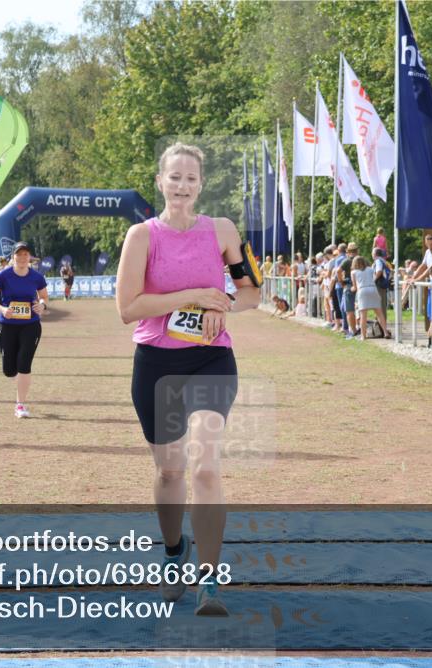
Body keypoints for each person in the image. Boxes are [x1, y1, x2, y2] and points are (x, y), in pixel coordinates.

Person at [115, 142, 259, 617]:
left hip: (211, 360)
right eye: (174, 177)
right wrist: (194, 294)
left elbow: (251, 291)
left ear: (201, 185)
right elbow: (127, 308)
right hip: (156, 364)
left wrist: (224, 307)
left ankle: (210, 584)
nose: (182, 186)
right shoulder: (141, 236)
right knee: (170, 471)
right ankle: (175, 549)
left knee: (204, 467)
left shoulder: (222, 231)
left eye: (191, 179)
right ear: (160, 182)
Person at [0, 241, 50, 418]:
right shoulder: (4, 275)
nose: (22, 258)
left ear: (29, 257)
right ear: (12, 257)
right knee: (9, 370)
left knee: (24, 364)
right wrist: (3, 309)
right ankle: (20, 381)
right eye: (19, 254)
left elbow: (44, 297)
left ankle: (20, 405)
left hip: (31, 325)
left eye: (25, 254)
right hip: (7, 325)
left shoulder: (36, 277)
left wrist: (42, 305)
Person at [351, 256, 389, 340]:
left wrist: (352, 289)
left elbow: (355, 287)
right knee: (379, 313)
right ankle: (385, 332)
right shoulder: (370, 269)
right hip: (373, 288)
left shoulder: (353, 272)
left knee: (363, 315)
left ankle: (363, 336)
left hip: (362, 290)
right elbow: (374, 277)